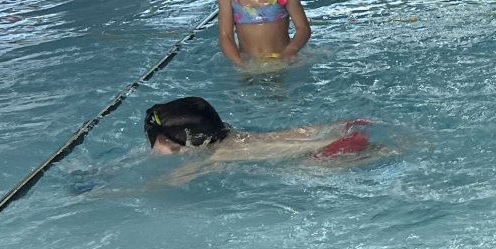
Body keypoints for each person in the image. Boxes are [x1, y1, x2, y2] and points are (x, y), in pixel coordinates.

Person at [142, 96, 373, 177]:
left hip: (333, 148)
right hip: (332, 136)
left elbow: (167, 182)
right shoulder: (230, 135)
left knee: (299, 171)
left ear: (170, 142)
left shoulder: (214, 157)